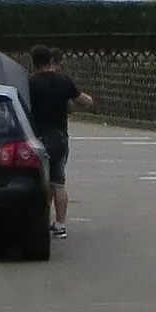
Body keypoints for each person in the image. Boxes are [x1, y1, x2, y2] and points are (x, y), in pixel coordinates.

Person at [24, 45, 94, 233]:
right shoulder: (64, 81)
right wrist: (68, 106)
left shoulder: (29, 83)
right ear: (51, 61)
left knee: (41, 183)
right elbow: (86, 103)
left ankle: (42, 222)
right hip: (60, 137)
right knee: (58, 182)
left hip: (38, 138)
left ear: (33, 61)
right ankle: (61, 225)